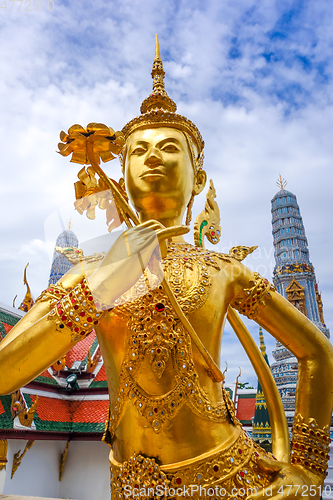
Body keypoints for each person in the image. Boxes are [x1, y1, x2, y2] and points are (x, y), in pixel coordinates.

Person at [0, 36, 332, 500]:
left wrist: (308, 469)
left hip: (230, 480)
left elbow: (317, 351)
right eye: (138, 150)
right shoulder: (91, 271)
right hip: (129, 486)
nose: (153, 156)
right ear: (122, 175)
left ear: (198, 177)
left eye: (170, 148)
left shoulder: (223, 270)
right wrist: (103, 285)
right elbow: (5, 372)